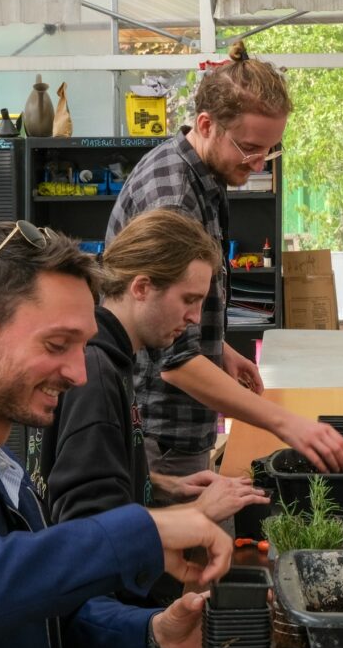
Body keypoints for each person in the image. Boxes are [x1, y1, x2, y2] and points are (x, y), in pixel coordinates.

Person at [0, 221, 232, 648]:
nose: (79, 373)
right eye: (57, 344)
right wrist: (138, 531)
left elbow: (40, 611)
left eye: (82, 347)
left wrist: (150, 632)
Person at [106, 40, 343, 499]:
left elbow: (186, 326)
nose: (259, 163)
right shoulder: (174, 198)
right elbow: (174, 363)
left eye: (270, 151)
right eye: (251, 148)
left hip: (179, 424)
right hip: (162, 430)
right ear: (206, 124)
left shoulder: (204, 177)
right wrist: (286, 424)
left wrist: (219, 350)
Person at [38, 208, 268, 528]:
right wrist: (198, 512)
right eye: (188, 299)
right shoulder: (96, 375)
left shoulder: (112, 359)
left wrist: (164, 483)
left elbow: (96, 474)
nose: (195, 319)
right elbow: (89, 529)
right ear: (142, 287)